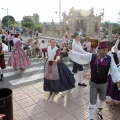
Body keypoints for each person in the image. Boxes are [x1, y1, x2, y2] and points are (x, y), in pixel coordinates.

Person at [69, 41, 120, 120]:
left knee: (102, 99)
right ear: (99, 49)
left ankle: (99, 111)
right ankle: (91, 118)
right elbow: (80, 56)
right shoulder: (92, 56)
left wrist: (118, 80)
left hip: (104, 84)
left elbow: (114, 70)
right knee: (92, 102)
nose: (106, 51)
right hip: (93, 84)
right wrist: (70, 52)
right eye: (103, 50)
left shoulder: (110, 58)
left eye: (107, 50)